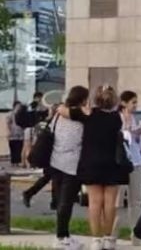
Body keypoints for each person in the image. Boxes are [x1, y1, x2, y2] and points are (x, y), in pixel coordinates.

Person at [78, 86, 132, 250]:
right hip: (112, 163)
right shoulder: (117, 118)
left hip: (91, 162)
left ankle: (96, 239)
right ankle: (109, 238)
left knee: (94, 202)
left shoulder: (89, 114)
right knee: (110, 203)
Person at [52, 86, 89, 248]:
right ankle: (62, 237)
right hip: (72, 164)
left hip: (55, 160)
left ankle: (63, 235)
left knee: (61, 200)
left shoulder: (59, 114)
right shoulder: (80, 116)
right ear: (82, 99)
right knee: (66, 202)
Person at [114, 91, 141, 243]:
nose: (135, 105)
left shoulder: (134, 118)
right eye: (133, 102)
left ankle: (136, 235)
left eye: (136, 102)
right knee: (118, 201)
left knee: (137, 200)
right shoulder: (116, 118)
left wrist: (138, 134)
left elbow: (140, 145)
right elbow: (119, 139)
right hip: (120, 164)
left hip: (136, 162)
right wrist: (129, 131)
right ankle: (112, 235)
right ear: (124, 103)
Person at [7, 101, 24, 166]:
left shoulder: (22, 114)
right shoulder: (10, 114)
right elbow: (8, 123)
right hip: (13, 133)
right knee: (13, 148)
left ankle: (18, 162)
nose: (19, 108)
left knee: (19, 148)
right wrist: (9, 131)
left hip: (20, 133)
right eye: (18, 106)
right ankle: (13, 162)